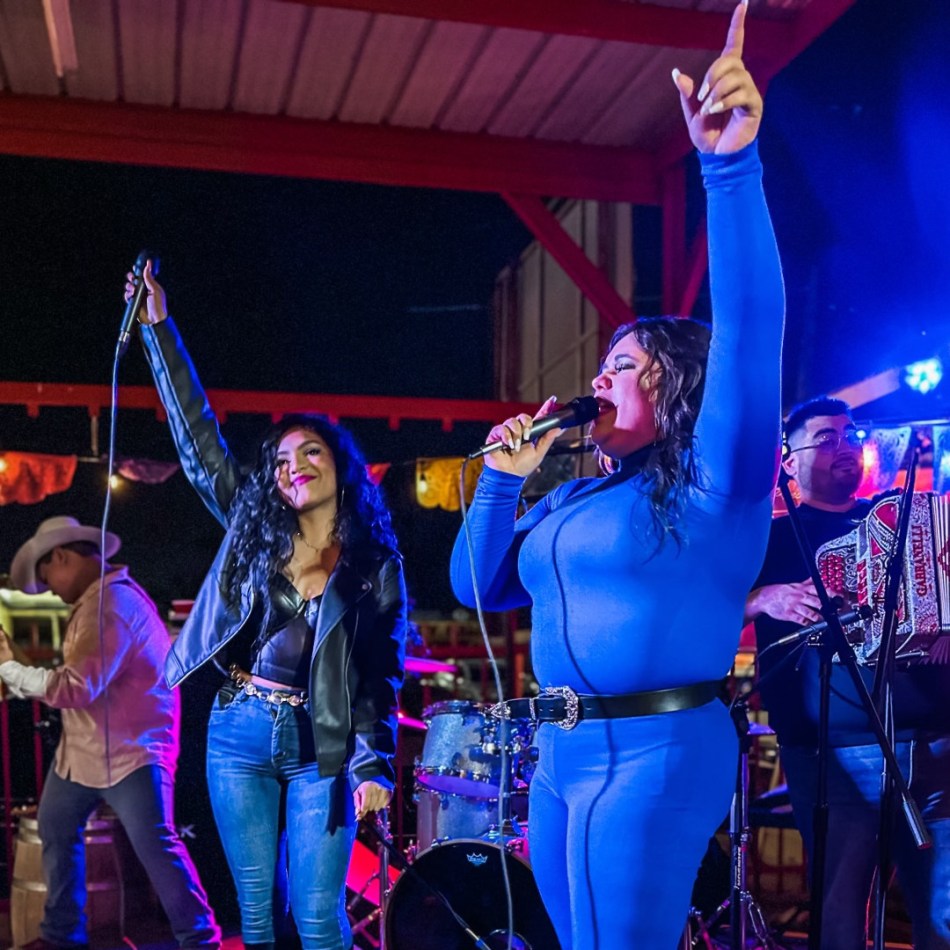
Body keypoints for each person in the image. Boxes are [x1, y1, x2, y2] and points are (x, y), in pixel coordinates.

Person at [450, 4, 784, 947]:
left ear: (678, 387)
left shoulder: (717, 479)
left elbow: (752, 330)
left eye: (623, 366)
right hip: (560, 753)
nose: (597, 378)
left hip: (656, 748)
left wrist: (728, 168)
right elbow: (476, 587)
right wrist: (503, 482)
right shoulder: (573, 494)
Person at [123, 268, 407, 950]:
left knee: (319, 919)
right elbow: (198, 443)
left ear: (340, 465)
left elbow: (380, 673)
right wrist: (159, 331)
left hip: (322, 742)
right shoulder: (252, 533)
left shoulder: (375, 565)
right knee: (256, 916)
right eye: (280, 460)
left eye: (310, 451)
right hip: (237, 730)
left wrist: (374, 761)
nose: (292, 465)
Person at [746, 396, 950, 950]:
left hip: (934, 745)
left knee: (943, 915)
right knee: (841, 918)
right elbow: (704, 612)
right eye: (826, 437)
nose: (845, 446)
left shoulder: (903, 520)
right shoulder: (767, 537)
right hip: (833, 754)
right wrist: (762, 597)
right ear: (788, 461)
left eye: (852, 434)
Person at [0, 516, 220, 950]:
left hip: (132, 752)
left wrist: (8, 666)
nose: (50, 591)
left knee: (155, 845)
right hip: (86, 753)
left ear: (61, 557)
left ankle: (200, 940)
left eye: (47, 578)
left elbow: (76, 687)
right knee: (56, 824)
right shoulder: (99, 600)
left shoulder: (111, 605)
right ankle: (62, 935)